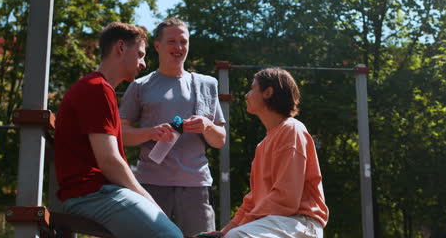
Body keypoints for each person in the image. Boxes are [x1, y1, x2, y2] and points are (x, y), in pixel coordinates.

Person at [54, 22, 183, 238]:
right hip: (91, 194)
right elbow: (109, 161)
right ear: (121, 48)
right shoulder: (97, 89)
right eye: (140, 54)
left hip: (95, 193)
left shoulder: (100, 89)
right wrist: (148, 201)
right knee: (170, 236)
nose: (143, 63)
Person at [119, 17, 226, 236]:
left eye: (183, 41)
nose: (178, 47)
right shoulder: (140, 86)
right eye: (171, 41)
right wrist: (151, 132)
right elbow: (120, 134)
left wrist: (207, 126)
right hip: (150, 185)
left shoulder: (206, 84)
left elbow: (220, 140)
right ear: (157, 46)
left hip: (197, 186)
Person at [209, 68, 329, 238]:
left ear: (268, 92)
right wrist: (223, 233)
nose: (247, 95)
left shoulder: (291, 129)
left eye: (252, 88)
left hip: (300, 223)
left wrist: (242, 226)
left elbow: (286, 198)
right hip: (277, 221)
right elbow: (253, 201)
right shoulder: (263, 145)